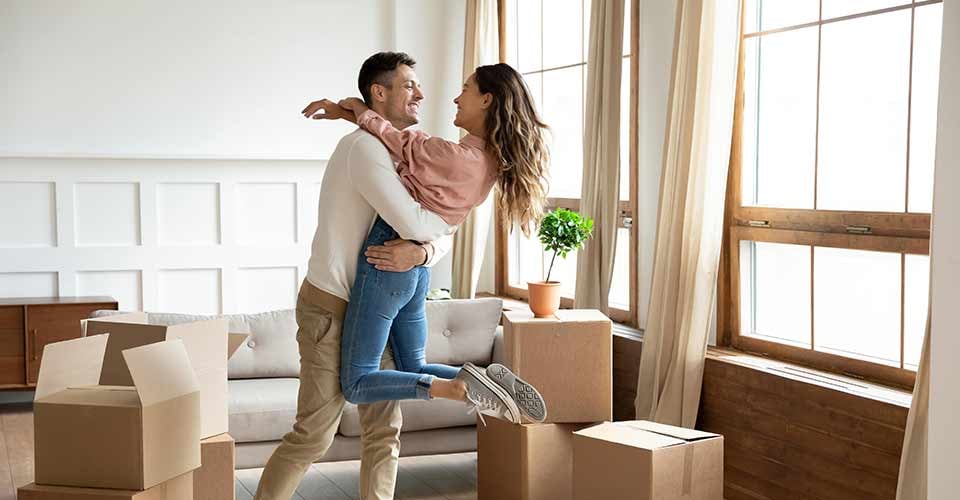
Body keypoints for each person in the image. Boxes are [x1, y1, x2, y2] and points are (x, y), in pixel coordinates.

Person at [254, 52, 458, 500]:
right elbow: (423, 225)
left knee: (385, 430)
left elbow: (443, 229)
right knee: (314, 434)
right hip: (333, 305)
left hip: (378, 306)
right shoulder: (363, 149)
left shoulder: (403, 151)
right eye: (409, 85)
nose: (420, 94)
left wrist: (422, 254)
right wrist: (426, 245)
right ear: (379, 93)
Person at [302, 61, 552, 424]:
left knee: (356, 383)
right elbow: (442, 225)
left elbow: (397, 141)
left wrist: (353, 110)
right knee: (413, 364)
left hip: (387, 258)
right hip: (416, 271)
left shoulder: (454, 156)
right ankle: (487, 382)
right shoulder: (487, 163)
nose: (455, 97)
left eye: (465, 89)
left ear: (486, 100)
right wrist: (423, 253)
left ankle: (453, 389)